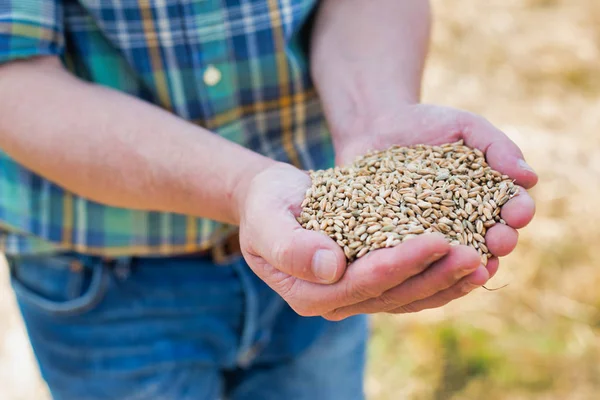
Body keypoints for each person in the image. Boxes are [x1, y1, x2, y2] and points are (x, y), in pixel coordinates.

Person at [0, 0, 537, 399]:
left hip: (320, 243)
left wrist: (371, 114)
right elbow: (13, 77)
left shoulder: (342, 221)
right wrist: (240, 185)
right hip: (104, 283)